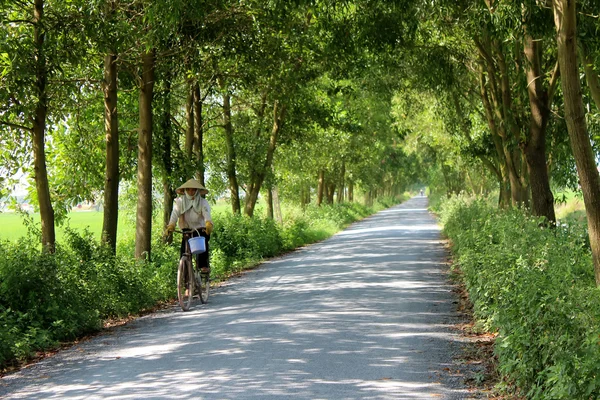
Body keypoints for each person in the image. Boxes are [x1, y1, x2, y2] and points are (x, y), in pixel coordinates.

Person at [165, 179, 213, 273]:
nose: (191, 192)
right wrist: (171, 225)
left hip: (200, 228)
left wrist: (208, 224)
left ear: (197, 191)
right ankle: (186, 277)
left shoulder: (203, 202)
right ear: (185, 191)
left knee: (202, 247)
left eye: (193, 190)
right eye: (189, 190)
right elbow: (174, 214)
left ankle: (203, 266)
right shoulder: (179, 202)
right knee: (184, 251)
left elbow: (207, 215)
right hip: (186, 229)